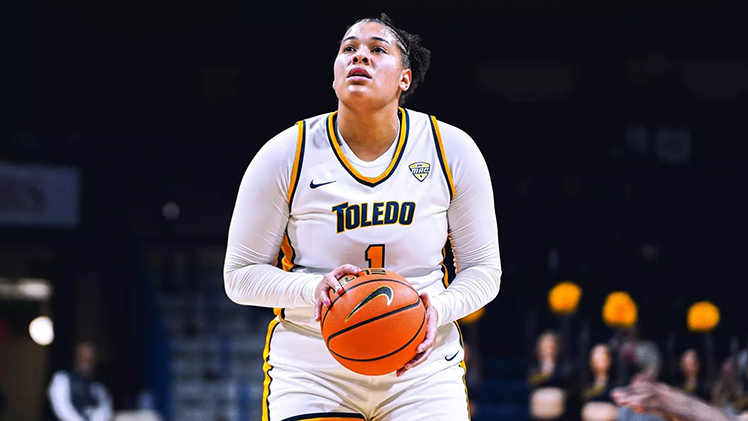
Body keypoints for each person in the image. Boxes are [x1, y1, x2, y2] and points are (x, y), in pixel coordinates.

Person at [223, 13, 502, 421]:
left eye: (377, 49)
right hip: (313, 369)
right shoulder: (287, 153)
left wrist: (436, 310)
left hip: (421, 368)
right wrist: (313, 288)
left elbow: (483, 270)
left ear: (405, 78)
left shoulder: (451, 149)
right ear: (334, 76)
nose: (360, 57)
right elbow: (239, 276)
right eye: (348, 49)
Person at [47, 342, 113, 421]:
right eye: (84, 359)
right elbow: (62, 407)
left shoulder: (98, 386)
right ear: (77, 358)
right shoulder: (62, 379)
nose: (87, 364)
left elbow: (105, 408)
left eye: (90, 360)